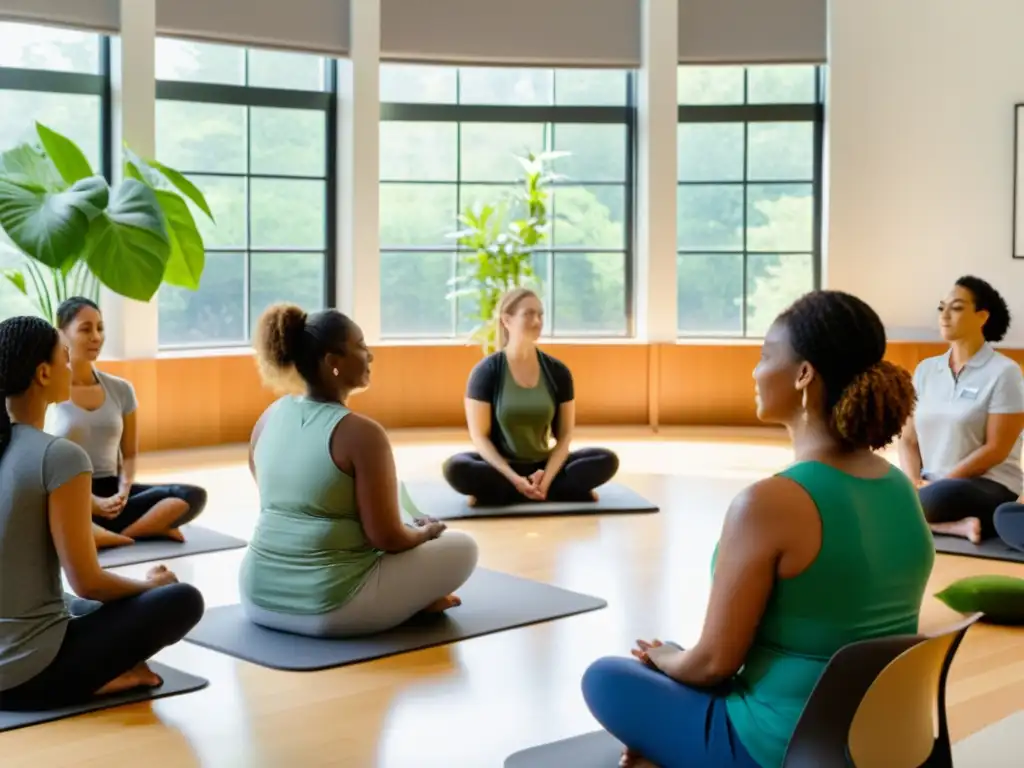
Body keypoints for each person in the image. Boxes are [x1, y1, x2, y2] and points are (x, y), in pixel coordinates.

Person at [580, 290, 935, 768]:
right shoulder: (899, 486)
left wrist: (665, 659)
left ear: (804, 374)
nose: (755, 370)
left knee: (606, 677)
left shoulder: (768, 503)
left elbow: (713, 665)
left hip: (782, 747)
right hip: (885, 740)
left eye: (766, 356)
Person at [0, 315, 204, 710]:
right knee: (182, 599)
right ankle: (114, 677)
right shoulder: (59, 456)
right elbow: (88, 582)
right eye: (64, 357)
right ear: (44, 373)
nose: (70, 365)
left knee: (78, 605)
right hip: (24, 674)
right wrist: (151, 588)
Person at [239, 303, 479, 637]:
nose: (371, 356)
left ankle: (409, 600)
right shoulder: (362, 433)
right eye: (362, 347)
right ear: (332, 363)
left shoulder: (268, 417)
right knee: (463, 547)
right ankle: (410, 601)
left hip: (257, 598)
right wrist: (425, 533)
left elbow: (283, 498)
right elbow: (387, 538)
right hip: (328, 608)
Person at [47, 297, 208, 550]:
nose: (96, 337)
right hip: (72, 495)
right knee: (53, 508)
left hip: (114, 489)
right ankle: (148, 527)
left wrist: (123, 492)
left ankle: (120, 536)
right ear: (62, 334)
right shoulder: (49, 390)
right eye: (85, 329)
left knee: (192, 496)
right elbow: (45, 467)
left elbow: (129, 455)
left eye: (100, 328)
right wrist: (92, 502)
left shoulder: (121, 390)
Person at [442, 288, 619, 506]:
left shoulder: (557, 372)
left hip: (544, 465)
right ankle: (545, 489)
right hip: (502, 467)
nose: (537, 321)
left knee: (605, 459)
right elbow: (480, 438)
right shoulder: (487, 372)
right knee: (456, 467)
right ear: (507, 320)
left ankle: (522, 492)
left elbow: (564, 438)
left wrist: (545, 477)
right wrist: (515, 478)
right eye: (528, 314)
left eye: (540, 314)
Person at [898, 276, 1024, 544]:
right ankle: (956, 527)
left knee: (934, 498)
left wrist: (940, 482)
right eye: (941, 307)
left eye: (956, 308)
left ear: (981, 317)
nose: (944, 315)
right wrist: (912, 482)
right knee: (877, 488)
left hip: (987, 484)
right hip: (929, 484)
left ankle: (923, 514)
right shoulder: (926, 370)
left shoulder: (1005, 373)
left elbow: (997, 449)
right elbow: (908, 440)